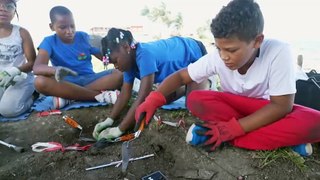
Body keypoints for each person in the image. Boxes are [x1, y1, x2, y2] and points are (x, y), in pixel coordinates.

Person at [135, 0, 320, 153]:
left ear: (257, 41)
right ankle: (281, 140)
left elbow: (281, 106)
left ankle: (223, 137)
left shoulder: (279, 51)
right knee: (196, 99)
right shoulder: (218, 57)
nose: (223, 56)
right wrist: (154, 98)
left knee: (315, 122)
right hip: (235, 109)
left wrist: (233, 129)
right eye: (218, 48)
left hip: (268, 110)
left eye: (231, 50)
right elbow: (182, 77)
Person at [92, 28, 209, 140]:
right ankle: (185, 87)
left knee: (193, 106)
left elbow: (142, 97)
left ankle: (204, 82)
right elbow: (124, 94)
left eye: (116, 61)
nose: (116, 67)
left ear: (126, 47)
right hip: (179, 72)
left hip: (194, 54)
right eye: (113, 64)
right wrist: (109, 120)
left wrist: (119, 129)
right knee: (162, 99)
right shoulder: (128, 64)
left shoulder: (144, 55)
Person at [33, 6, 123, 109]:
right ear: (52, 27)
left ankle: (70, 97)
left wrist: (110, 50)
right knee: (39, 82)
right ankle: (99, 96)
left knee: (119, 74)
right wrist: (55, 70)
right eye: (63, 27)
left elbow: (105, 60)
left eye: (72, 26)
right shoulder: (49, 42)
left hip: (90, 79)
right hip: (66, 83)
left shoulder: (84, 37)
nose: (69, 31)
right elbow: (37, 68)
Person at [0, 0, 37, 117]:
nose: (3, 9)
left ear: (15, 11)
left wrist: (15, 70)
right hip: (1, 80)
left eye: (9, 6)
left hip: (20, 78)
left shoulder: (21, 33)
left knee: (8, 110)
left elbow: (33, 62)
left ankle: (34, 95)